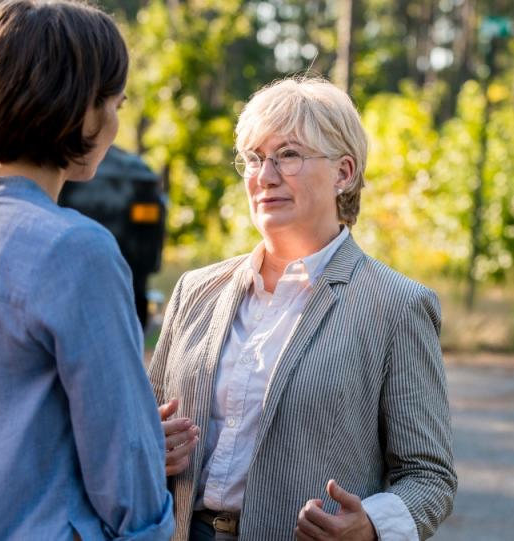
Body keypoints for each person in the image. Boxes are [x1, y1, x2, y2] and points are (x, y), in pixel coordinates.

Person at [148, 76, 457, 541]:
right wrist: (147, 445)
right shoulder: (195, 290)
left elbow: (430, 478)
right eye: (254, 158)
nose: (264, 176)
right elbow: (141, 423)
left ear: (344, 172)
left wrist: (370, 524)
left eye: (288, 155)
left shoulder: (397, 307)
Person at [0, 1, 174, 539]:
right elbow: (126, 478)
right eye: (113, 101)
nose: (115, 121)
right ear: (81, 109)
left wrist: (146, 436)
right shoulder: (77, 250)